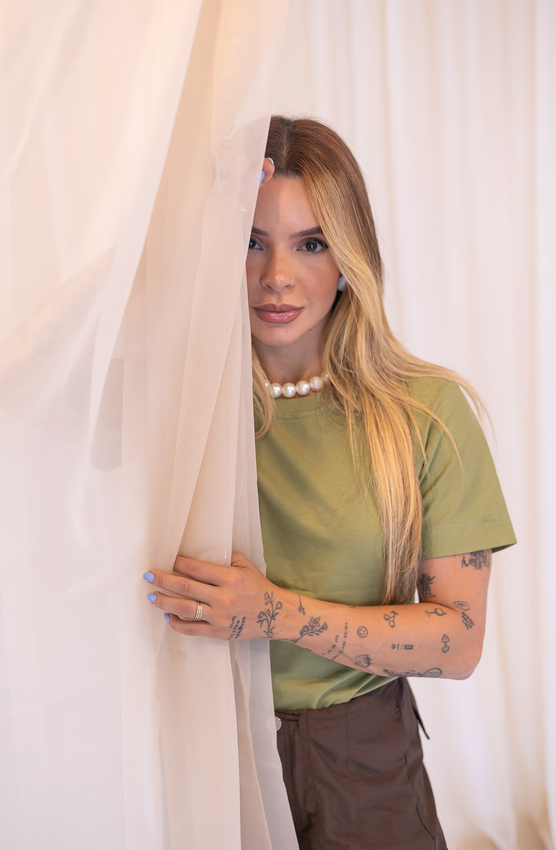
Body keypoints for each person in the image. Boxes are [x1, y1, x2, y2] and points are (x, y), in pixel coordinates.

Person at [143, 116, 516, 849]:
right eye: (250, 240)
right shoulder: (176, 406)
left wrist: (273, 613)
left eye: (311, 243)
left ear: (349, 258)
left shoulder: (426, 413)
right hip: (202, 756)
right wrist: (180, 216)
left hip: (364, 769)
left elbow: (458, 642)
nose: (276, 276)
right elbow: (32, 366)